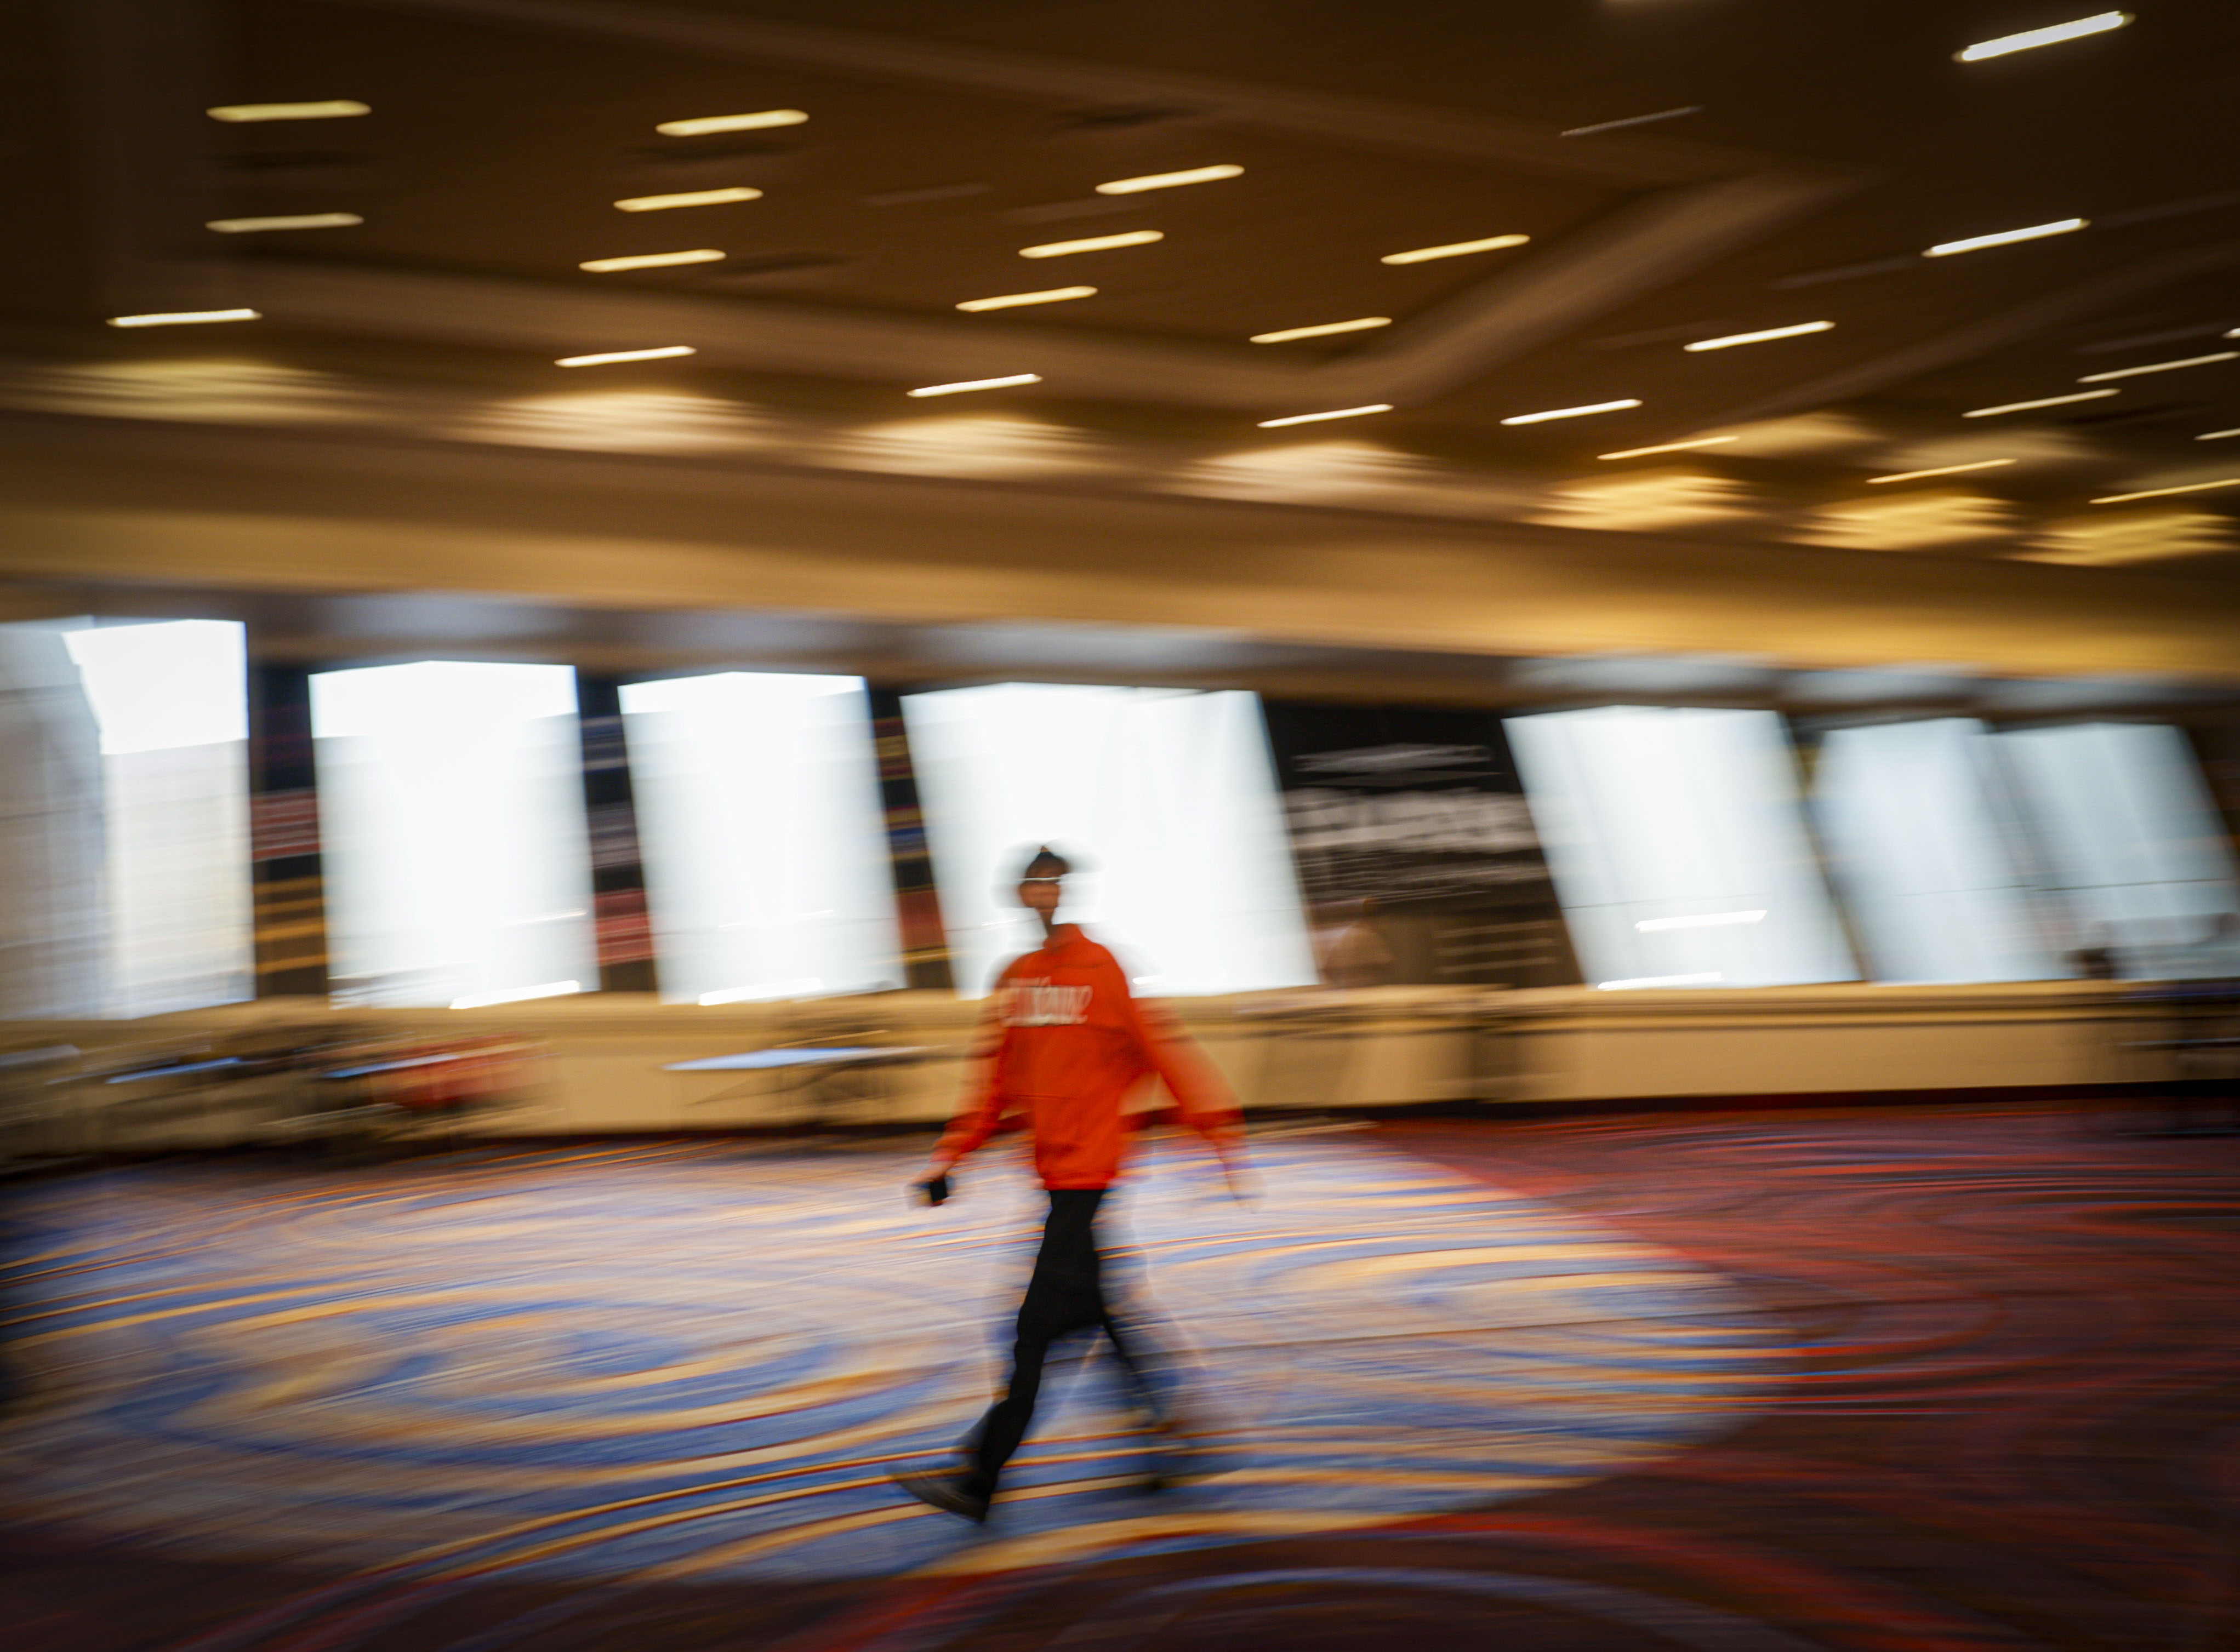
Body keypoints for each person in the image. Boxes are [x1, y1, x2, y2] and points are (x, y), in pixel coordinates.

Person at [891, 845, 1252, 1524]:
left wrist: (1219, 1141)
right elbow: (992, 1085)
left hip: (1088, 1181)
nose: (1044, 894)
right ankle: (1169, 1428)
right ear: (1020, 896)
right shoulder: (1016, 981)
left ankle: (980, 1478)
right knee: (1096, 1314)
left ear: (1067, 893)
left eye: (1054, 883)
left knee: (1031, 1333)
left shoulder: (1102, 970)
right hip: (1056, 1181)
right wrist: (950, 1160)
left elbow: (1162, 1055)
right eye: (1034, 884)